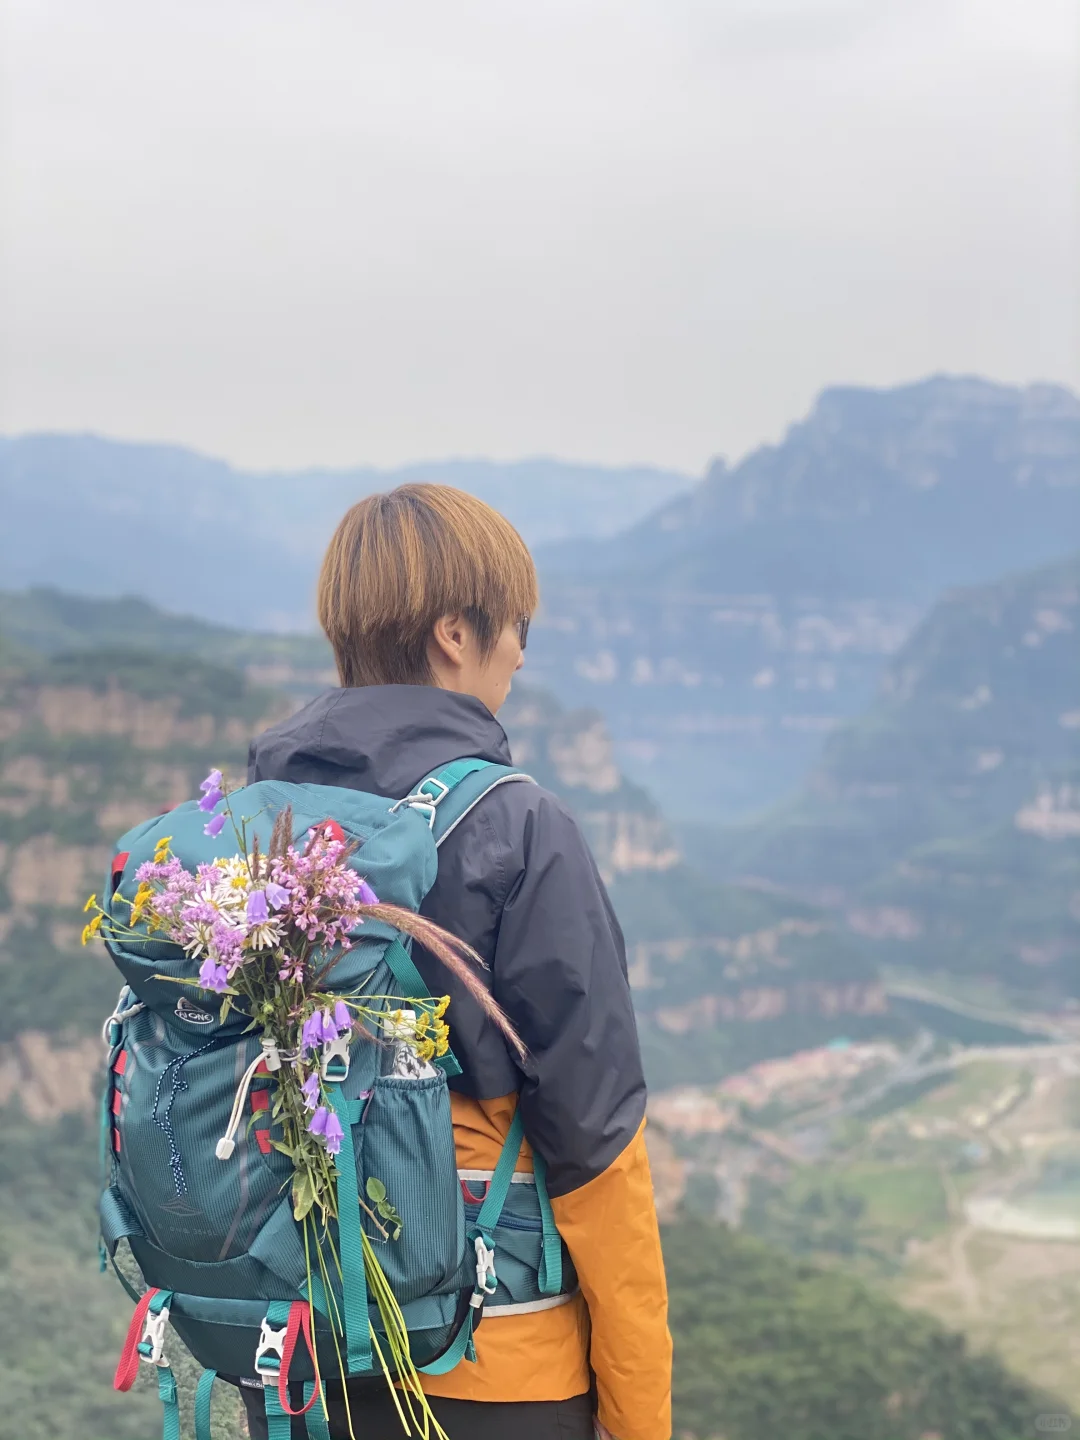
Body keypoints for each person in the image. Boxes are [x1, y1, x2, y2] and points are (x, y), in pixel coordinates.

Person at [245, 484, 672, 1440]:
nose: (522, 651)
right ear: (453, 633)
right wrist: (641, 1415)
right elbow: (598, 1145)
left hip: (297, 1351)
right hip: (486, 1366)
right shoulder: (518, 828)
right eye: (515, 624)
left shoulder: (258, 815)